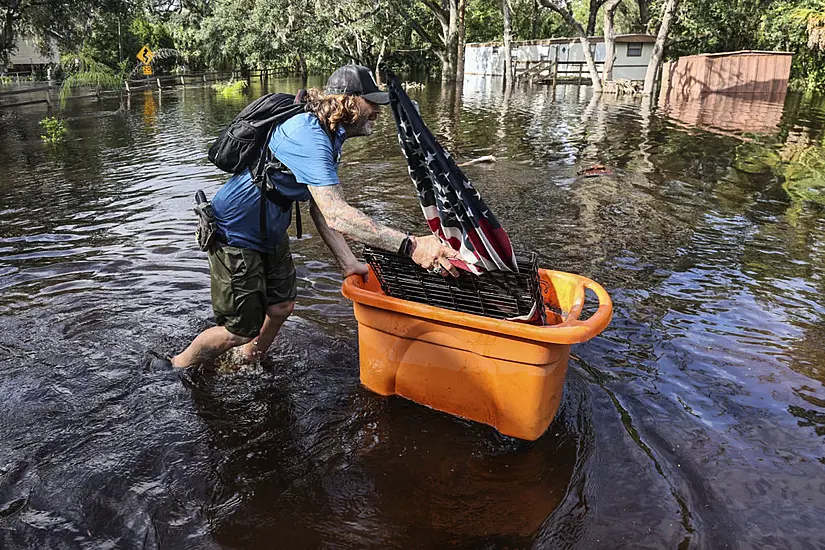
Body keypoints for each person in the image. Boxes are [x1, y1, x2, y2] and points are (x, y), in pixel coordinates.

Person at [171, 65, 458, 368]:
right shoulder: (308, 136)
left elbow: (321, 207)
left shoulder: (331, 134)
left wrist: (347, 261)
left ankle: (248, 362)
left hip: (270, 231)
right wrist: (413, 246)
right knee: (239, 330)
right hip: (234, 233)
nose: (377, 109)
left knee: (281, 306)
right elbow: (337, 214)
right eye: (370, 102)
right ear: (347, 102)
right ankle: (177, 365)